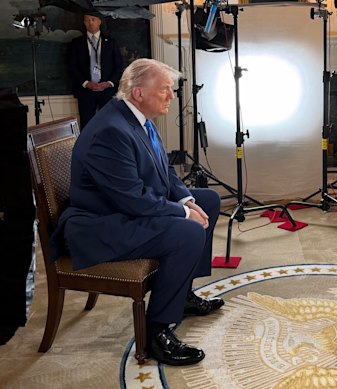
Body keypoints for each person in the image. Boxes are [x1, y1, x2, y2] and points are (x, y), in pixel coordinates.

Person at [52, 58, 223, 366]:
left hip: (122, 210)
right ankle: (156, 333)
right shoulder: (111, 131)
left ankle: (181, 294)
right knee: (187, 231)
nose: (171, 96)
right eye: (165, 90)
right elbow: (133, 199)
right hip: (100, 226)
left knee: (206, 199)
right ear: (138, 93)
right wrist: (183, 216)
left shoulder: (137, 118)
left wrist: (185, 202)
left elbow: (165, 171)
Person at [69, 13, 123, 130]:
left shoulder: (111, 42)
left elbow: (119, 66)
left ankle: (108, 148)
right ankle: (87, 148)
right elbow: (72, 67)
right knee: (87, 126)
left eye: (93, 19)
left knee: (109, 124)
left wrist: (109, 83)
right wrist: (86, 83)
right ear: (84, 23)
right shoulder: (77, 43)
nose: (90, 23)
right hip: (85, 92)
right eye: (87, 20)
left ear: (99, 21)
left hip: (107, 91)